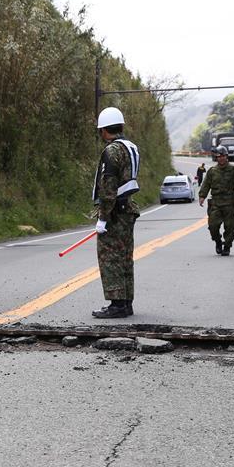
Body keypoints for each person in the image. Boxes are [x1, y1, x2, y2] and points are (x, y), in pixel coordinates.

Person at [91, 106, 140, 319]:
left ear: (103, 129)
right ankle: (126, 302)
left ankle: (117, 304)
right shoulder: (130, 147)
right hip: (127, 209)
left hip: (115, 213)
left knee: (110, 257)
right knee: (125, 257)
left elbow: (108, 186)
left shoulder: (111, 151)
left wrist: (103, 217)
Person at [199, 146, 234, 256]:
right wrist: (202, 196)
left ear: (226, 156)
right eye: (219, 156)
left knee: (230, 226)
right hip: (216, 203)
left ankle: (227, 246)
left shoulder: (233, 169)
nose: (221, 158)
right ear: (216, 158)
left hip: (229, 202)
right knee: (212, 226)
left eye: (223, 156)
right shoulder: (212, 171)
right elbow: (206, 184)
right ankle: (218, 241)